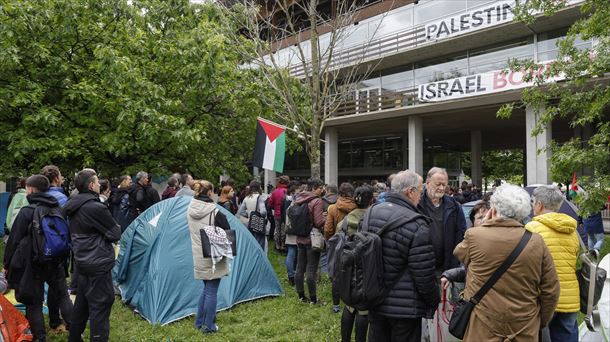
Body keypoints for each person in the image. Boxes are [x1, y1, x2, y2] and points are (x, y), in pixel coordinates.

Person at [454, 184, 560, 341]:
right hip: (524, 326)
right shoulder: (536, 241)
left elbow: (459, 253)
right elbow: (551, 290)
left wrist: (485, 225)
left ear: (494, 209)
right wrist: (540, 321)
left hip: (482, 326)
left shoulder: (475, 236)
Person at [366, 170, 439, 342]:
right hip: (406, 309)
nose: (421, 196)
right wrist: (433, 300)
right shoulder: (416, 223)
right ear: (410, 192)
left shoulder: (370, 213)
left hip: (374, 297)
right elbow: (424, 274)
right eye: (420, 191)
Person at [3, 175, 74, 342]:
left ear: (31, 190)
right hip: (55, 260)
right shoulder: (57, 207)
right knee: (63, 295)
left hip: (33, 263)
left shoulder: (27, 211)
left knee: (34, 302)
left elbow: (14, 240)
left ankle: (39, 337)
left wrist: (7, 264)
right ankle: (75, 329)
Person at [63, 169, 121, 342]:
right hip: (98, 262)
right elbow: (115, 232)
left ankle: (74, 337)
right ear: (90, 185)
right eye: (97, 182)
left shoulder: (72, 204)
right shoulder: (95, 207)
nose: (99, 184)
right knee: (101, 304)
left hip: (82, 260)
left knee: (82, 301)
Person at [526, 185, 579, 342]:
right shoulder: (572, 230)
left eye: (533, 202)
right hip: (570, 296)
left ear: (540, 204)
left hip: (543, 295)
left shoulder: (531, 228)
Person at [187, 180, 232, 333]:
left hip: (199, 254)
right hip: (214, 256)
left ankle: (199, 322)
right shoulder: (214, 211)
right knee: (212, 290)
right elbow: (227, 230)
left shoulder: (190, 208)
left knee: (206, 289)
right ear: (209, 193)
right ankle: (209, 326)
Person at [337, 185, 374, 342]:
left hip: (347, 267)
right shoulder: (371, 219)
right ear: (371, 200)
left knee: (349, 305)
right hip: (365, 268)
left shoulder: (346, 219)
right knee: (363, 309)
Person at [417, 167, 467, 276]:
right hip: (421, 265)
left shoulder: (454, 205)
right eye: (438, 184)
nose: (441, 188)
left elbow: (461, 233)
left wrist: (455, 261)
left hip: (447, 266)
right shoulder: (416, 204)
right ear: (428, 183)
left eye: (444, 185)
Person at [41, 165, 71, 332]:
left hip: (39, 249)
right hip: (57, 248)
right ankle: (72, 326)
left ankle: (53, 321)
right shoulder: (61, 198)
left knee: (52, 286)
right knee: (60, 288)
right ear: (56, 179)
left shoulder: (36, 196)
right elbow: (67, 225)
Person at [324, 182, 356, 313]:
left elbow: (328, 229)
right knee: (354, 273)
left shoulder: (332, 208)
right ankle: (351, 303)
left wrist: (329, 241)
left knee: (337, 275)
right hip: (355, 243)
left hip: (338, 243)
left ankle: (336, 305)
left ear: (340, 193)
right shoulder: (357, 206)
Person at [294, 178, 326, 304]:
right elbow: (318, 222)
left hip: (299, 237)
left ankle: (301, 297)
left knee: (299, 268)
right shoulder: (316, 201)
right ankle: (313, 299)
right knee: (311, 270)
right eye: (320, 188)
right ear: (314, 188)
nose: (322, 190)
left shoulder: (298, 198)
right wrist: (325, 217)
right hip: (312, 239)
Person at [238, 180, 267, 250]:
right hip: (258, 224)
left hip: (249, 223)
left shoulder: (247, 197)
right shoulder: (259, 197)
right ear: (259, 187)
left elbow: (241, 211)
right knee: (259, 243)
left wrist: (249, 214)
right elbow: (263, 212)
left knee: (251, 243)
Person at [284, 181, 301, 286]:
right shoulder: (302, 207)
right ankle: (298, 275)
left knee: (290, 254)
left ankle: (291, 276)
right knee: (299, 255)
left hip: (290, 232)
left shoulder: (290, 207)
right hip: (299, 233)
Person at [268, 176, 289, 252]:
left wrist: (275, 207)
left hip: (276, 213)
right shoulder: (286, 191)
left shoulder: (274, 191)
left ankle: (277, 245)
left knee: (277, 229)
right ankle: (283, 245)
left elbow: (270, 203)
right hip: (284, 213)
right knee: (283, 229)